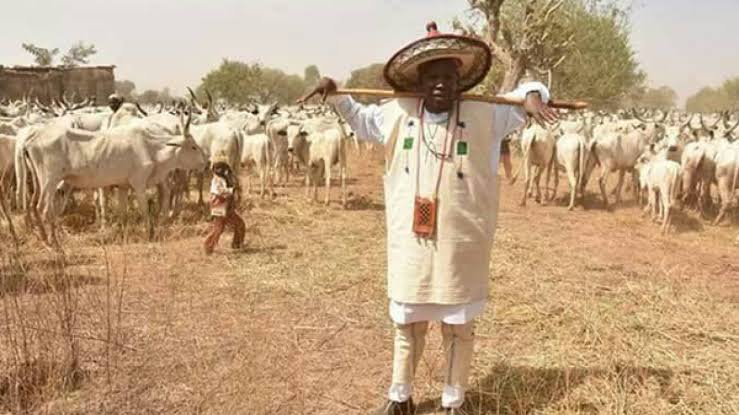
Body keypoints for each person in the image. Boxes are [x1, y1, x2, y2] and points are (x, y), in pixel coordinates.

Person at [299, 22, 557, 415]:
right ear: (418, 83)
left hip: (461, 244)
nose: (440, 85)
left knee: (459, 326)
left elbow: (528, 92)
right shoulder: (397, 112)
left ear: (460, 81)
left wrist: (534, 96)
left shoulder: (486, 113)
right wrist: (336, 92)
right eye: (432, 77)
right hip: (411, 243)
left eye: (448, 76)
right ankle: (400, 397)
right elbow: (358, 117)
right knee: (408, 324)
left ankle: (454, 401)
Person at [203, 156, 246, 255]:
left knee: (238, 224)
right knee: (219, 228)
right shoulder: (216, 180)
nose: (221, 171)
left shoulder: (223, 179)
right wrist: (232, 190)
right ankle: (208, 247)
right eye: (219, 169)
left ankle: (236, 245)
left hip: (226, 206)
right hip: (220, 206)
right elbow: (219, 191)